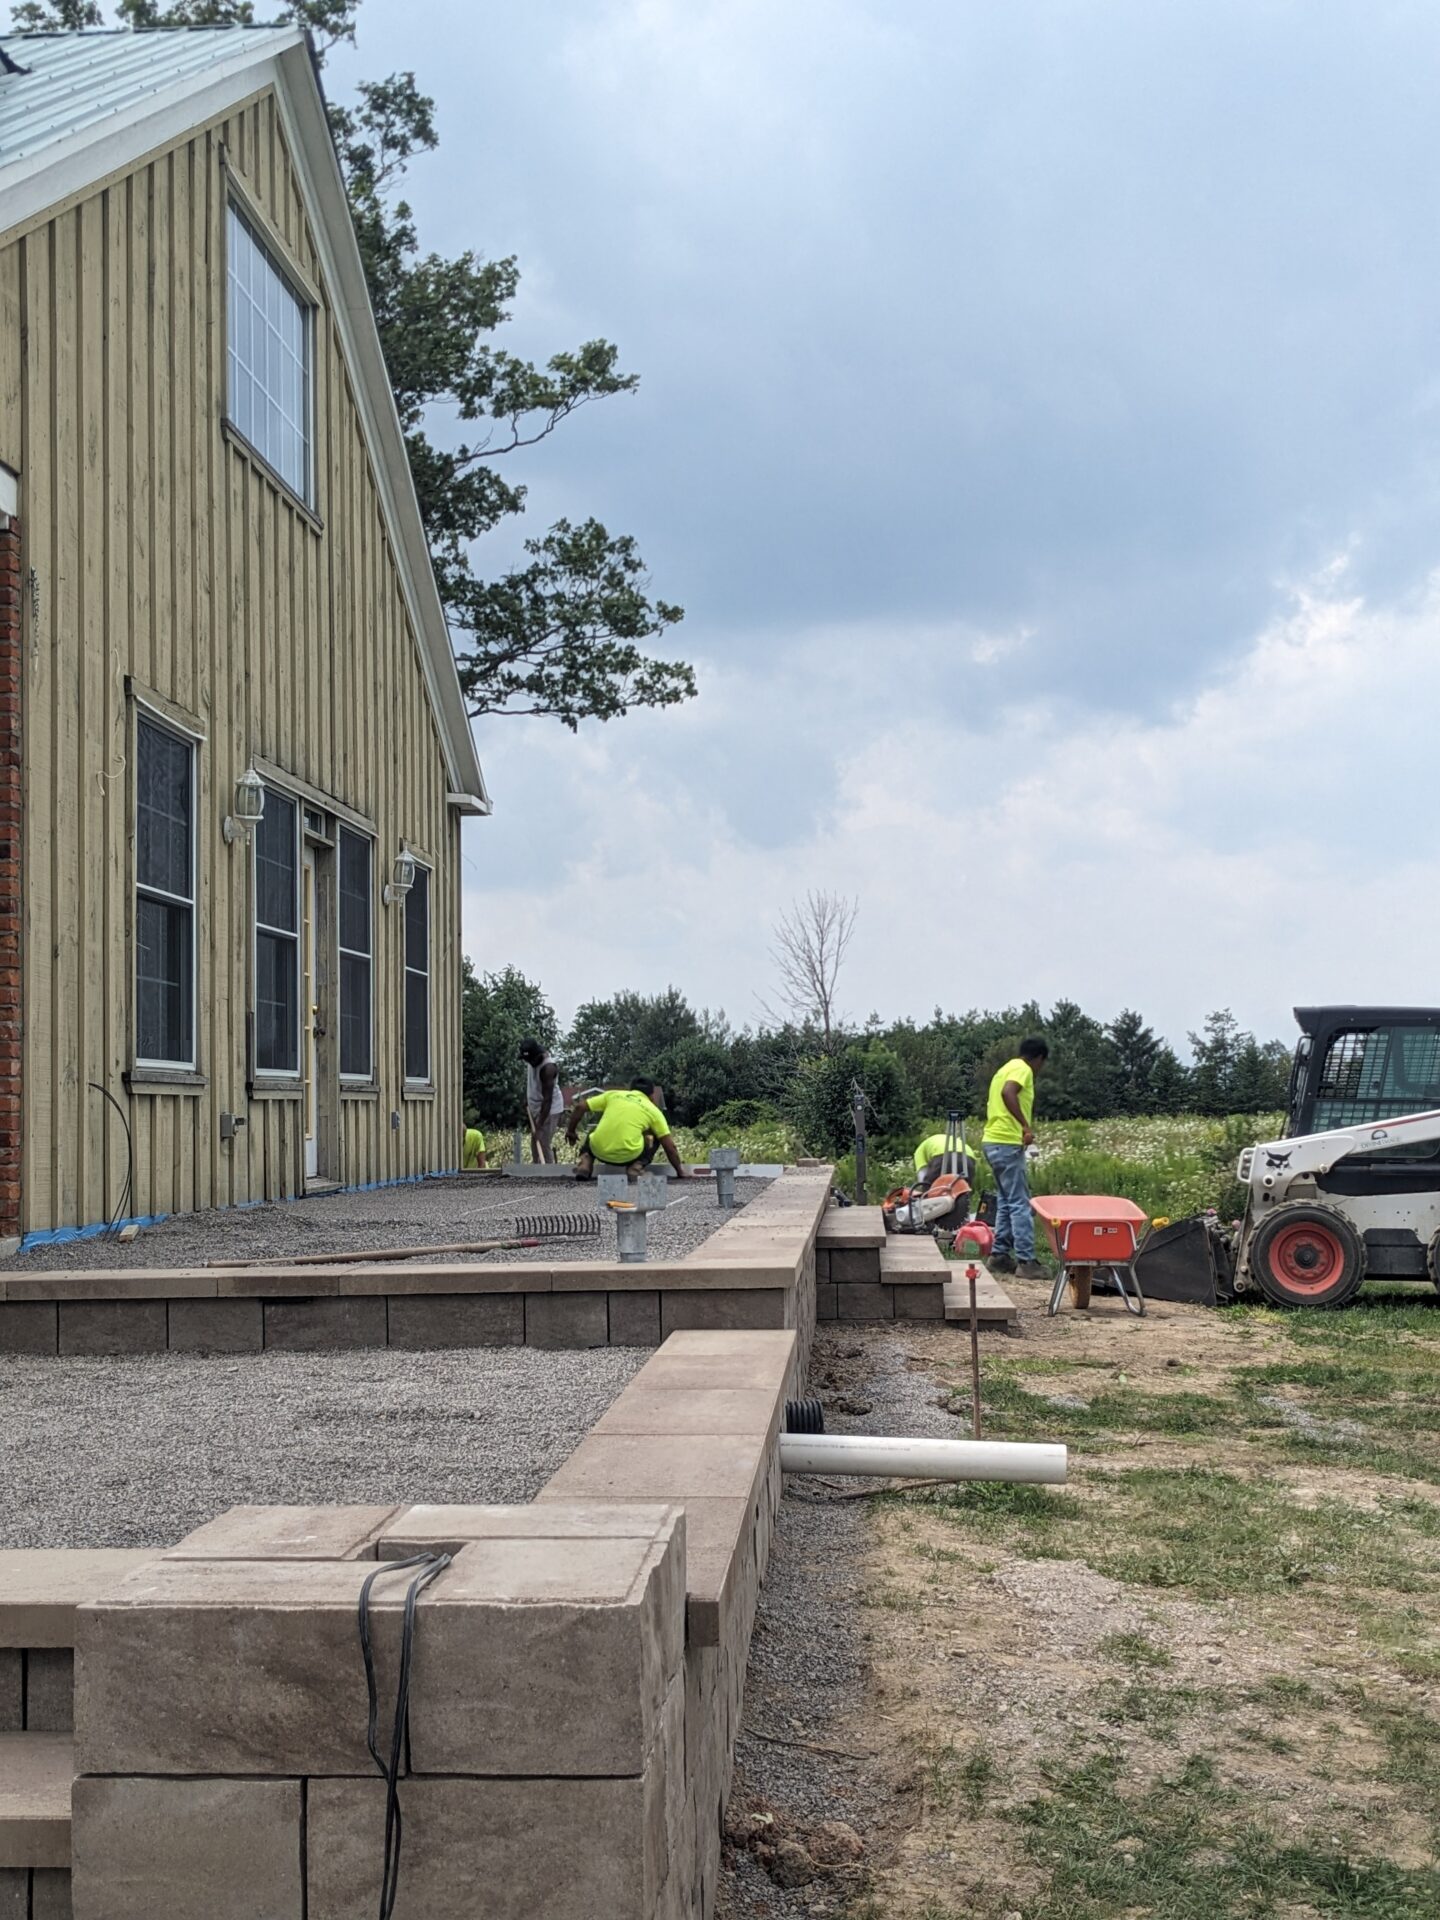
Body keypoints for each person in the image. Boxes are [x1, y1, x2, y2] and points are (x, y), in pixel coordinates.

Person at [982, 1038, 1050, 1278]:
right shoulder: (1023, 1069)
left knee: (1006, 1201)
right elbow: (1008, 1092)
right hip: (1007, 1143)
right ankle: (1026, 1260)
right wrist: (1024, 1126)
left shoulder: (1005, 1068)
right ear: (1039, 1058)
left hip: (992, 1141)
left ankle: (999, 1256)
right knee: (1021, 1203)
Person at [567, 1079, 696, 1180]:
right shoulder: (654, 1111)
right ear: (652, 1096)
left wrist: (571, 1131)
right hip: (629, 1155)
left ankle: (585, 1164)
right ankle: (636, 1168)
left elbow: (580, 1107)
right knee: (656, 1137)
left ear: (631, 1089)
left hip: (598, 1151)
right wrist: (680, 1171)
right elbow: (670, 1147)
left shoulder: (613, 1095)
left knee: (593, 1132)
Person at [518, 1037, 565, 1164]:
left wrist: (539, 1126)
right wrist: (528, 1098)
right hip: (537, 1106)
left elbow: (547, 1100)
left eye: (531, 1059)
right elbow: (533, 1082)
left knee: (543, 1143)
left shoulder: (548, 1069)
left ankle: (549, 1174)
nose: (529, 1062)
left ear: (537, 1055)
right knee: (535, 1142)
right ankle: (537, 1170)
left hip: (549, 1109)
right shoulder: (531, 1059)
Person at [911, 1128, 978, 1192]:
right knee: (963, 1190)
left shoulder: (919, 1152)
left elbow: (922, 1177)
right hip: (968, 1155)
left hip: (943, 1155)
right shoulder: (935, 1142)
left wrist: (923, 1189)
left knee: (929, 1189)